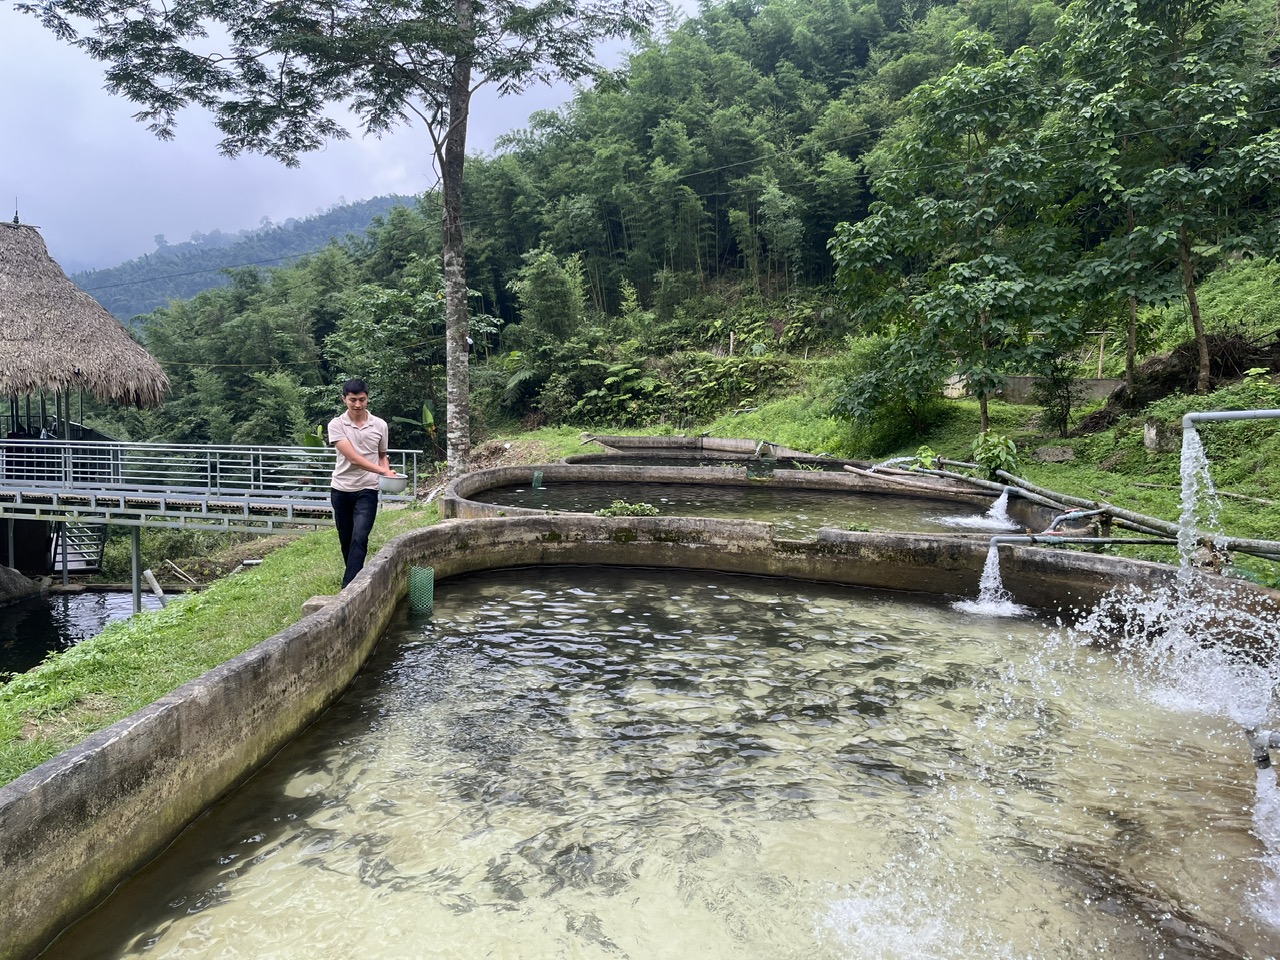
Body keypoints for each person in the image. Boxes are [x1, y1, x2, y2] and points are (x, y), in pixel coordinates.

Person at [327, 379, 398, 588]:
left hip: (367, 489)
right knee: (347, 540)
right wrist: (383, 470)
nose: (357, 404)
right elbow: (354, 458)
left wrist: (386, 471)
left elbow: (382, 455)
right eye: (352, 400)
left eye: (362, 399)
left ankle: (348, 588)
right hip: (341, 489)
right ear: (344, 399)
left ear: (367, 398)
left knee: (360, 536)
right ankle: (355, 578)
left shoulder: (380, 425)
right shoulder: (336, 425)